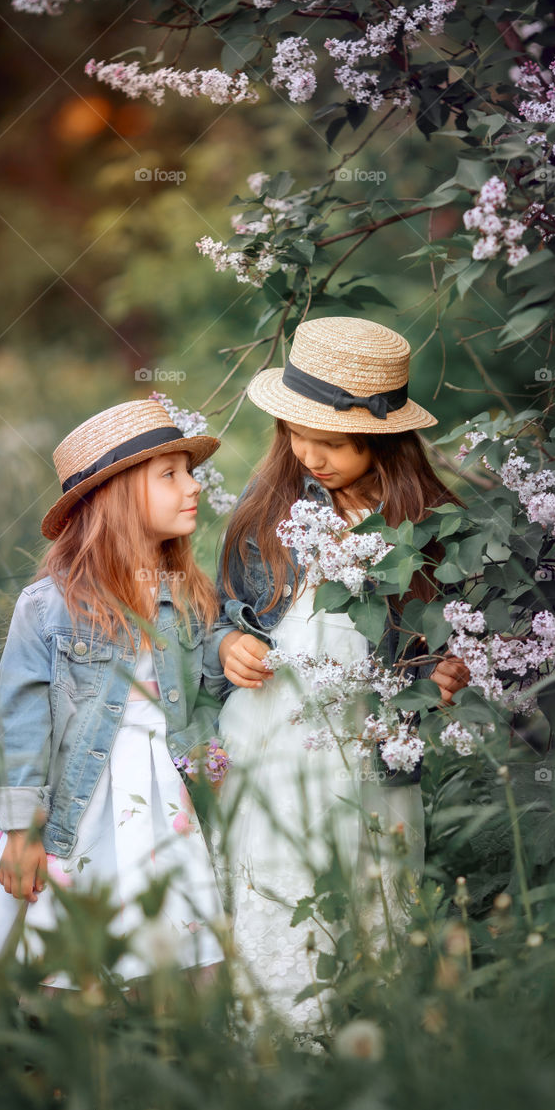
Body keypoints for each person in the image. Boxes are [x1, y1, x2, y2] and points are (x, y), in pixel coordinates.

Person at [0, 397, 229, 1038]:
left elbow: (205, 688)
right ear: (114, 497)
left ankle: (84, 1092)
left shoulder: (186, 593)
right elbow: (22, 723)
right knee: (6, 942)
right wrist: (23, 830)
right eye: (169, 473)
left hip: (156, 805)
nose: (192, 485)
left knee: (135, 950)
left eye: (187, 471)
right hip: (63, 799)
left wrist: (225, 651)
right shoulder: (50, 607)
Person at [213, 316, 470, 1041]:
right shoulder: (265, 514)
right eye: (299, 435)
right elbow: (216, 617)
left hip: (370, 744)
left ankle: (374, 1032)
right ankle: (280, 1036)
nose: (310, 455)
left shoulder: (424, 525)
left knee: (374, 880)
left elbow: (448, 634)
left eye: (331, 442)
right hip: (273, 740)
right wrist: (228, 643)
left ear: (384, 439)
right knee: (282, 876)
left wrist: (448, 668)